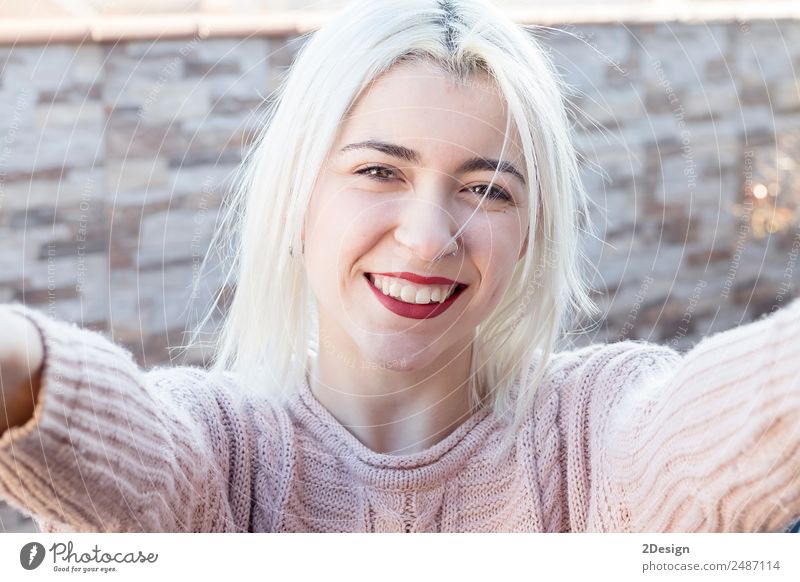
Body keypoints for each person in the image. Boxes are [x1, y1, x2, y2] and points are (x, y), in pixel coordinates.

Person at [1, 0, 799, 533]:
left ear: (530, 231)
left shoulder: (589, 431)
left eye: (485, 189)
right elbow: (126, 455)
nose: (427, 238)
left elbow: (706, 435)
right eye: (379, 172)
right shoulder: (223, 445)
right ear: (295, 201)